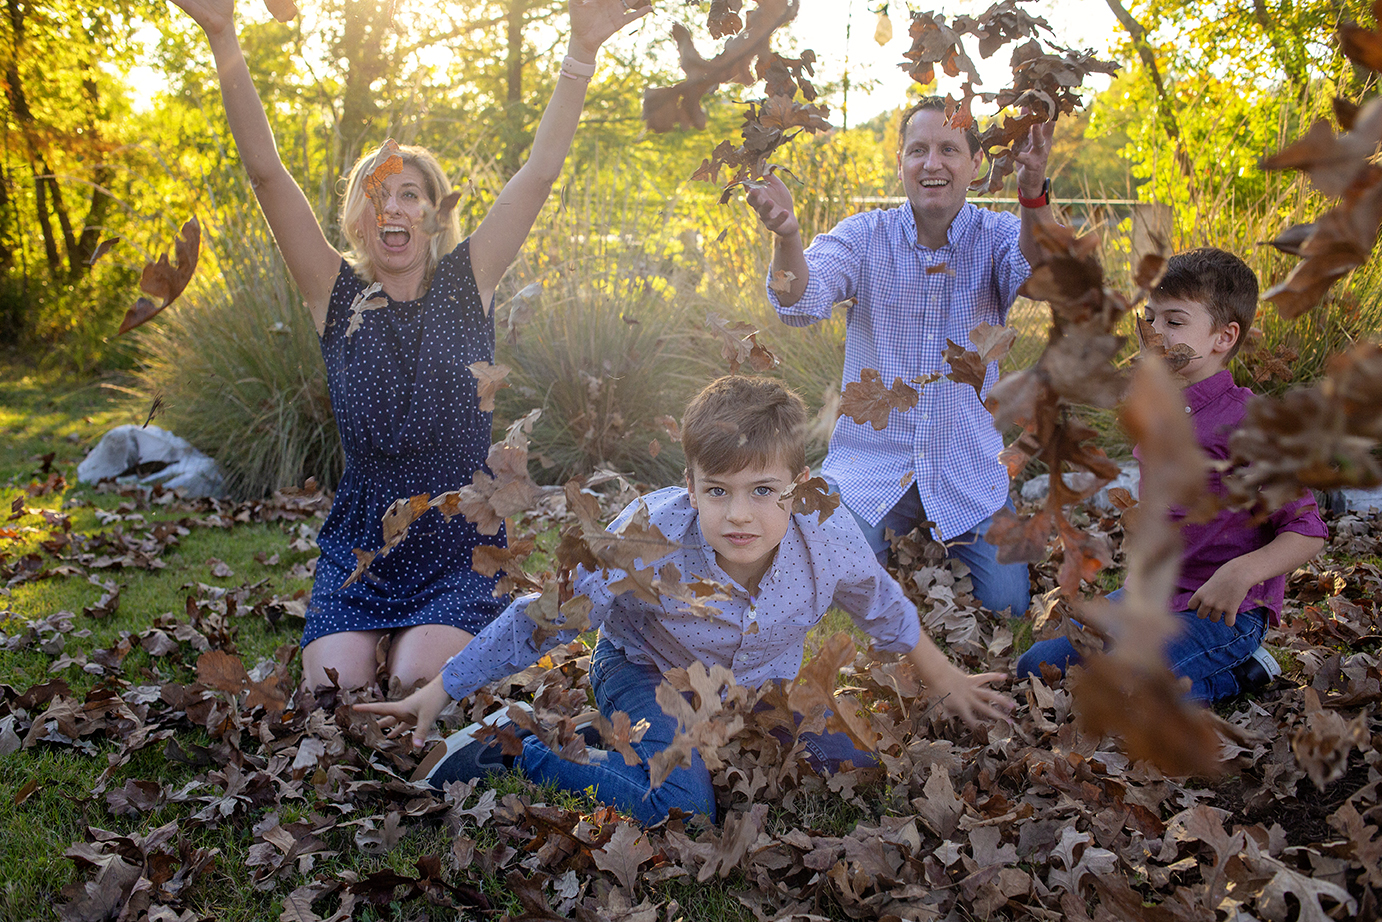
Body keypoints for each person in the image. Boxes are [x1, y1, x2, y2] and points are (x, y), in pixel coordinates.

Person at [170, 0, 649, 693]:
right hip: (365, 542)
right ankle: (372, 636)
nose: (392, 207)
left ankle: (421, 642)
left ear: (432, 214)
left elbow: (538, 175)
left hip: (458, 541)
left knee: (420, 678)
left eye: (410, 194)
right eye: (377, 195)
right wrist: (224, 37)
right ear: (359, 220)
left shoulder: (469, 280)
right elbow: (267, 176)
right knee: (335, 686)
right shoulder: (332, 294)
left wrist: (580, 52)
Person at [356, 375, 1013, 824]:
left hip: (756, 694)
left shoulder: (828, 532)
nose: (739, 515)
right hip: (647, 672)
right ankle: (508, 742)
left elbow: (884, 607)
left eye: (763, 491)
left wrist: (944, 674)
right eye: (718, 491)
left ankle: (601, 740)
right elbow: (548, 618)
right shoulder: (649, 534)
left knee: (860, 766)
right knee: (682, 806)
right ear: (690, 487)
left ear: (798, 486)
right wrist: (443, 687)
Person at [744, 97, 1057, 618]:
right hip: (871, 468)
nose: (932, 163)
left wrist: (1032, 195)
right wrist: (788, 238)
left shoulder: (998, 234)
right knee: (832, 605)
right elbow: (798, 303)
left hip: (968, 471)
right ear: (900, 163)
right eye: (918, 150)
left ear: (975, 164)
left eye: (949, 150)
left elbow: (1042, 281)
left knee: (1008, 608)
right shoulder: (864, 237)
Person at [1016, 248, 1328, 702]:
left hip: (1222, 610)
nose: (1153, 333)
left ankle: (1243, 671)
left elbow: (1308, 530)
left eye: (1174, 322)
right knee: (1036, 666)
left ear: (1223, 337)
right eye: (1150, 317)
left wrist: (1240, 573)